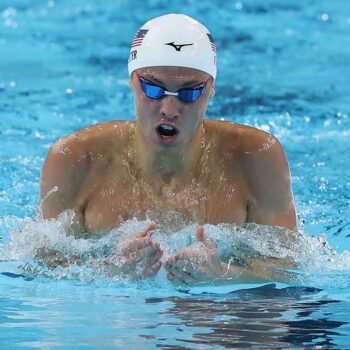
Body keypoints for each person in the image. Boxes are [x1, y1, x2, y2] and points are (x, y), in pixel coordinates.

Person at [38, 14, 298, 284]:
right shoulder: (75, 159)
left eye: (189, 93)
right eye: (153, 88)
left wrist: (223, 275)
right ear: (132, 80)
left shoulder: (256, 157)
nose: (169, 110)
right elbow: (39, 268)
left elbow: (291, 270)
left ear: (211, 89)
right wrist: (108, 270)